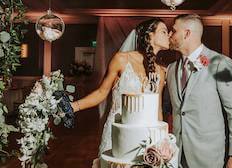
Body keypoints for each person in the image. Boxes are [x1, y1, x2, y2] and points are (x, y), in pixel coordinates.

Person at [167, 14, 232, 168]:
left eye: (173, 31)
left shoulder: (221, 64)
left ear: (187, 33)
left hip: (211, 160)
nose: (170, 35)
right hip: (178, 160)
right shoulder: (171, 69)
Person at [71, 18, 170, 155]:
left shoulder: (160, 71)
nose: (169, 35)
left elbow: (157, 108)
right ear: (149, 36)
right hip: (117, 131)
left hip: (145, 135)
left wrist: (161, 139)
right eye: (164, 31)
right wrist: (73, 107)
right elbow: (101, 92)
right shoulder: (122, 59)